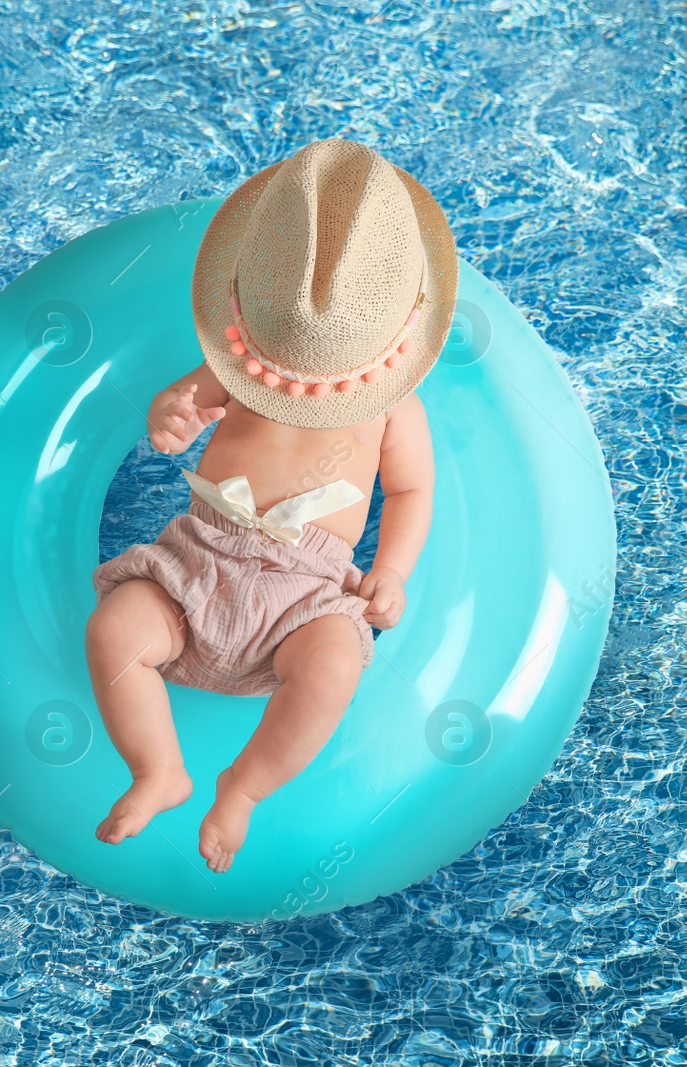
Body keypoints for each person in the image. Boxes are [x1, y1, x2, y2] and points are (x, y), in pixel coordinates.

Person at [86, 137, 458, 872]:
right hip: (198, 562)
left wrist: (394, 571)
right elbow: (182, 399)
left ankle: (243, 787)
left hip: (306, 596)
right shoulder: (243, 356)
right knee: (115, 628)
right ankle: (159, 767)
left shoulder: (395, 406)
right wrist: (169, 418)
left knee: (332, 670)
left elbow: (413, 488)